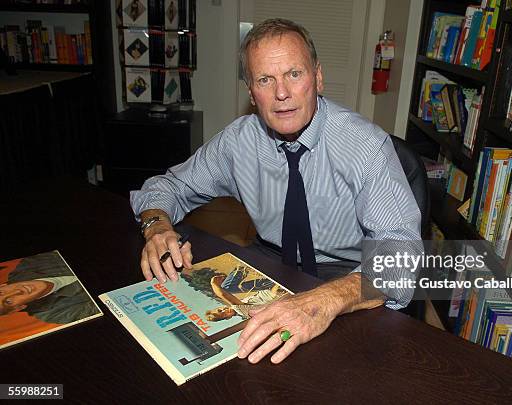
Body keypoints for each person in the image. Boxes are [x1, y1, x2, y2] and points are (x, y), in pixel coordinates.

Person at [131, 18, 422, 365]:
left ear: (317, 77)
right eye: (265, 80)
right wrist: (157, 226)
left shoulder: (366, 146)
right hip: (268, 265)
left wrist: (322, 301)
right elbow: (169, 186)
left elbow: (401, 257)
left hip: (348, 278)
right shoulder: (238, 143)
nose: (281, 93)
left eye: (294, 74)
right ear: (252, 94)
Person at [0, 252, 100, 324]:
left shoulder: (31, 263)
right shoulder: (56, 315)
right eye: (8, 301)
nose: (17, 291)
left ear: (2, 285)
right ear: (18, 308)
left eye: (1, 292)